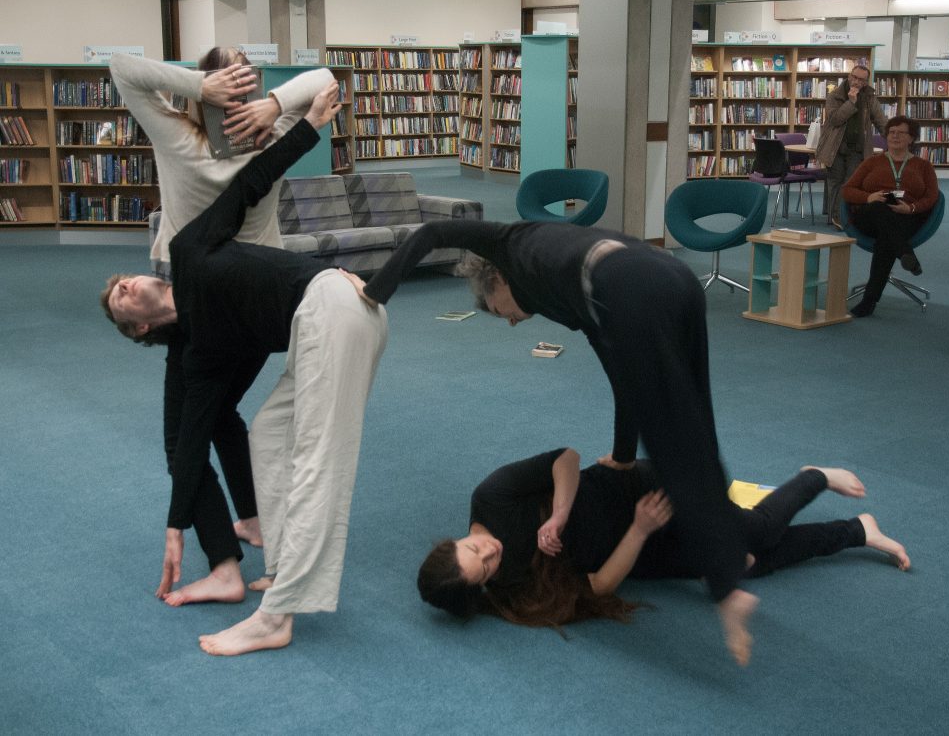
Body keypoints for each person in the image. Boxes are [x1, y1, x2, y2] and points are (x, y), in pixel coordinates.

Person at [354, 220, 758, 666]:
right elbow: (618, 370)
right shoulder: (565, 296)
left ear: (495, 278)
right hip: (674, 278)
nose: (505, 319)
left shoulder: (503, 243)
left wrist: (374, 293)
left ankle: (726, 586)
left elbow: (430, 233)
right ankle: (725, 549)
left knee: (667, 437)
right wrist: (623, 456)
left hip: (629, 286)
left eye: (494, 308)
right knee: (695, 418)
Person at [102, 83, 388, 656]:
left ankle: (276, 618)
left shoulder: (188, 250)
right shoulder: (204, 353)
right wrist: (175, 524)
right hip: (327, 323)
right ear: (139, 329)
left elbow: (249, 185)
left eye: (121, 280)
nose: (125, 284)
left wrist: (307, 125)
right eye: (119, 300)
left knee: (314, 465)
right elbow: (187, 441)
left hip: (333, 304)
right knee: (269, 433)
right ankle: (280, 567)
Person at [110, 50, 336, 605]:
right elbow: (326, 79)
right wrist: (276, 106)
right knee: (220, 417)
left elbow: (122, 67)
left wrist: (201, 87)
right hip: (253, 311)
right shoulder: (268, 133)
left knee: (184, 436)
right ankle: (254, 523)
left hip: (201, 306)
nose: (238, 103)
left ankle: (224, 563)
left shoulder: (179, 137)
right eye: (231, 88)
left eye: (244, 89)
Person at [418, 448, 910, 631]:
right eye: (481, 570)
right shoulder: (509, 583)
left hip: (642, 486)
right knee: (742, 564)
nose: (489, 555)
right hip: (642, 538)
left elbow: (564, 459)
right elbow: (598, 586)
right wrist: (638, 531)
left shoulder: (492, 498)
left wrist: (560, 514)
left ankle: (815, 476)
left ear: (452, 543)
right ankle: (857, 531)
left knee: (755, 531)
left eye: (472, 551)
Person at [841, 115, 939, 318]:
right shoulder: (872, 162)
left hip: (905, 217)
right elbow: (847, 190)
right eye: (891, 132)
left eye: (900, 132)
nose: (894, 136)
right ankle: (905, 253)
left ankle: (869, 301)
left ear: (911, 138)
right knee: (880, 210)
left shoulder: (923, 166)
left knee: (887, 240)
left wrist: (910, 208)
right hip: (870, 216)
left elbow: (932, 197)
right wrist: (869, 197)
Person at [816, 64, 888, 228]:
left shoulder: (869, 97)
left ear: (865, 82)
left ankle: (841, 215)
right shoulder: (835, 95)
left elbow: (880, 120)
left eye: (861, 79)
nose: (856, 82)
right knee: (836, 181)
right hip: (835, 147)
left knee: (850, 182)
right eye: (854, 77)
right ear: (849, 76)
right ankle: (837, 216)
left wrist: (892, 136)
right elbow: (835, 119)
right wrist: (851, 102)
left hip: (857, 148)